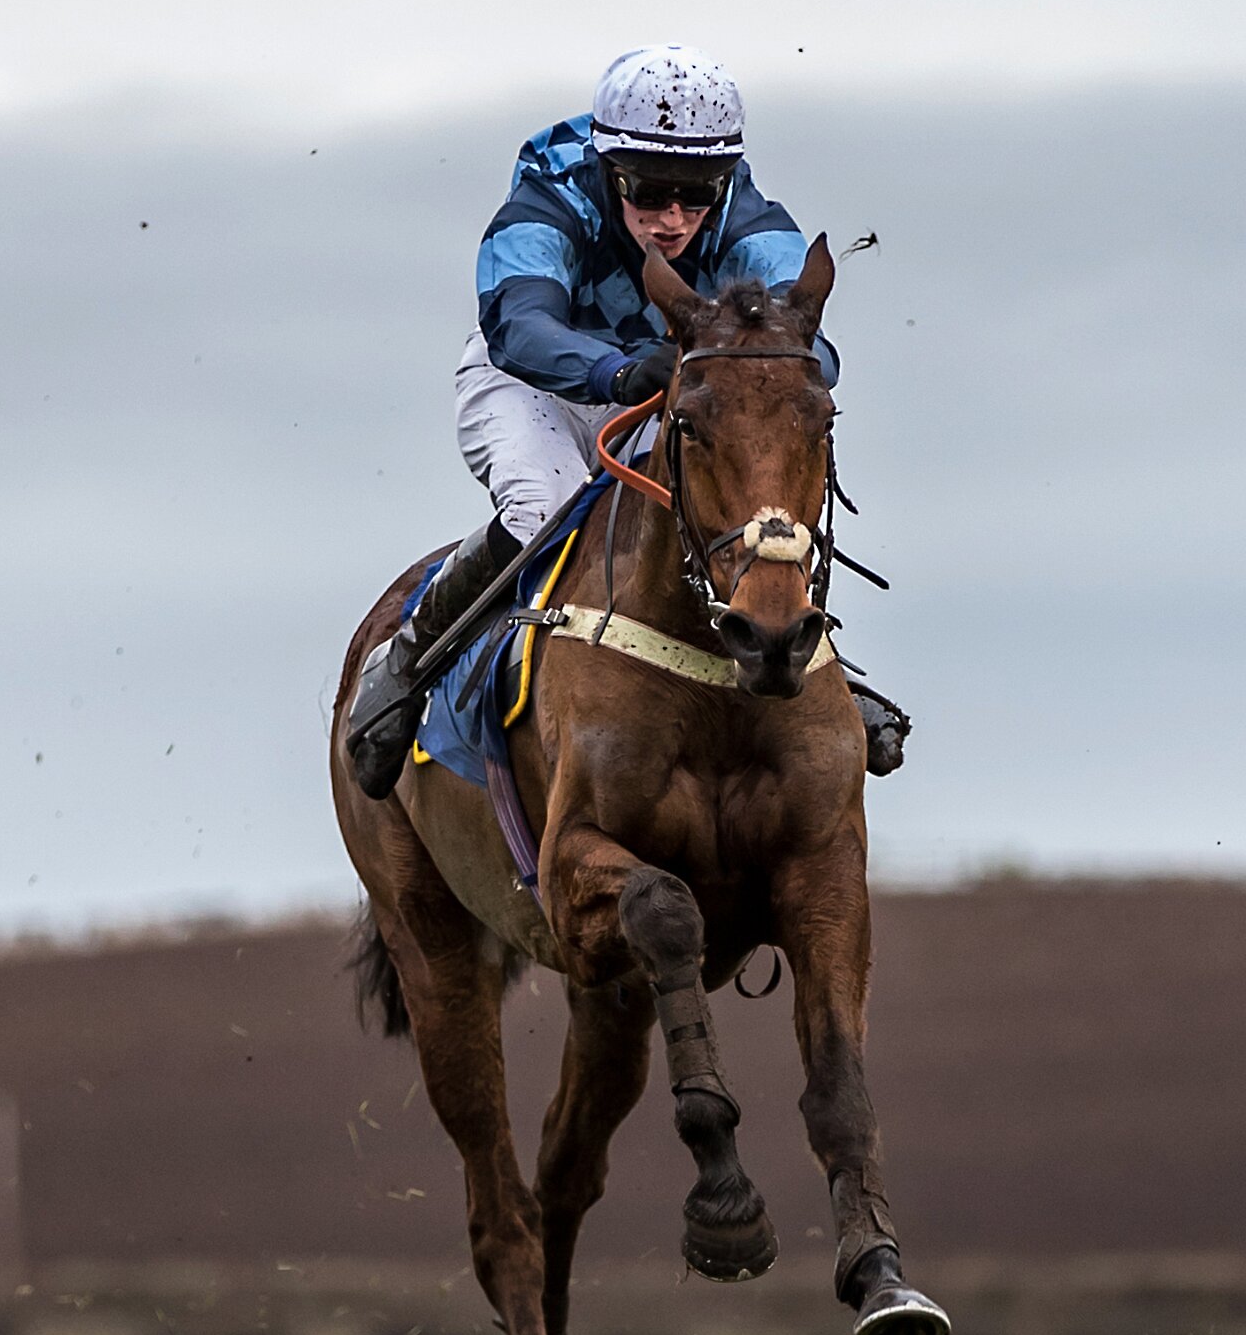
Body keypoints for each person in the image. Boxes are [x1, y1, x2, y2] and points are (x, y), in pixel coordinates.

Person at [344, 43, 909, 798]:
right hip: (532, 383)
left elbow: (807, 349)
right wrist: (614, 370)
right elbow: (521, 324)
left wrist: (767, 369)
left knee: (730, 497)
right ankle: (410, 659)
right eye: (649, 191)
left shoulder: (752, 218)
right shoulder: (549, 199)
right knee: (542, 507)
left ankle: (811, 660)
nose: (673, 219)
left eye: (696, 194)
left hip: (667, 386)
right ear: (611, 169)